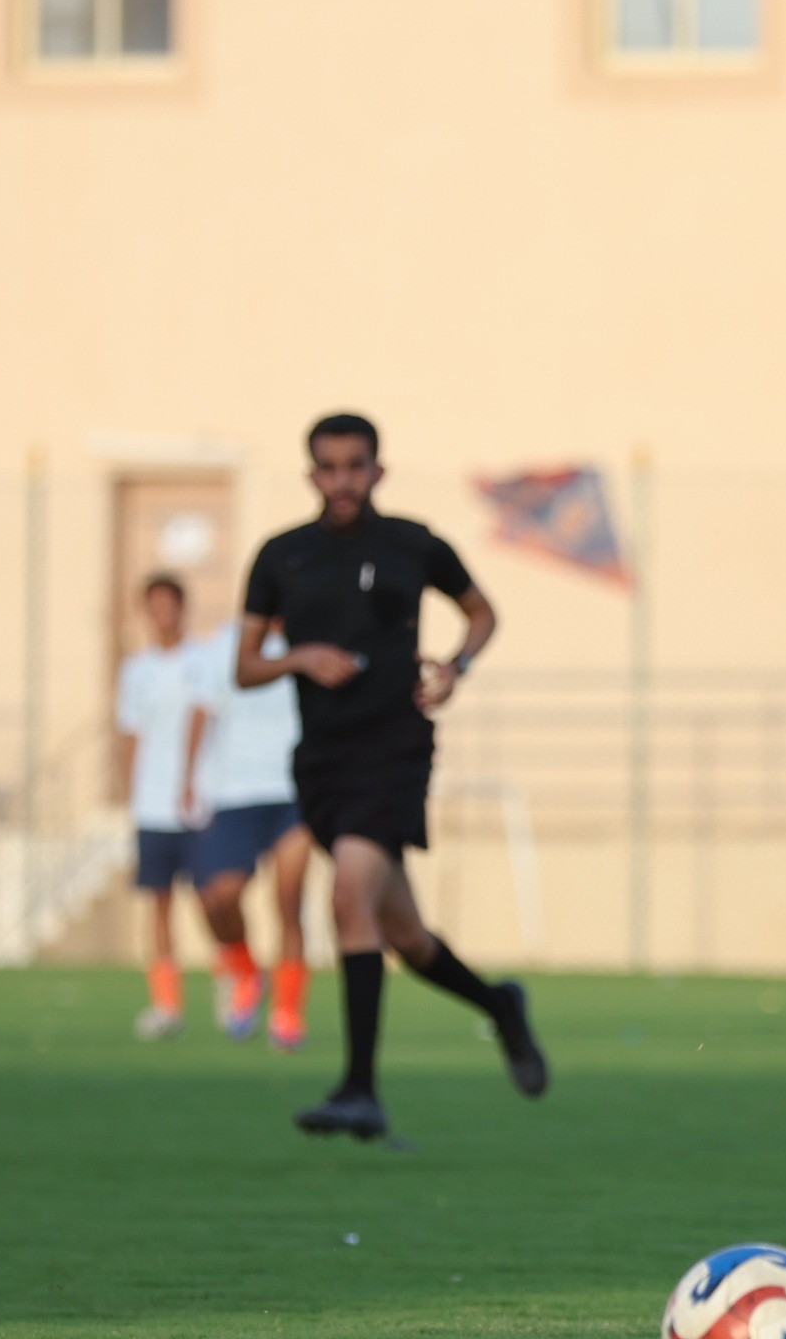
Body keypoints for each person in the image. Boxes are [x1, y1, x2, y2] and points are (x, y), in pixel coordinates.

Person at [237, 412, 545, 1138]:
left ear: (379, 470)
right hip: (322, 762)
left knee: (349, 892)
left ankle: (358, 1089)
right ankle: (500, 1006)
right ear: (311, 474)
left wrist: (457, 667)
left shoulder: (413, 545)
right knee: (402, 935)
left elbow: (481, 612)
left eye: (355, 465)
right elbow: (244, 666)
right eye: (329, 467)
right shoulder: (282, 557)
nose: (342, 480)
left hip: (395, 750)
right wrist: (300, 659)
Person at [187, 623, 314, 1049]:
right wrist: (189, 780)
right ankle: (245, 970)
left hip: (294, 791)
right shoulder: (224, 645)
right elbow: (203, 711)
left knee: (289, 901)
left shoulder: (310, 640)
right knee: (220, 895)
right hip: (235, 792)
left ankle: (288, 1013)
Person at [115, 573, 213, 1041]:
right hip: (153, 804)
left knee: (214, 898)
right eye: (153, 605)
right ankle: (166, 1004)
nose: (162, 613)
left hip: (199, 800)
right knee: (158, 904)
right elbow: (132, 732)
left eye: (168, 604)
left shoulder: (204, 660)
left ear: (182, 607)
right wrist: (130, 792)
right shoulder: (136, 670)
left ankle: (232, 983)